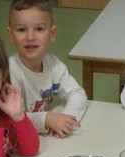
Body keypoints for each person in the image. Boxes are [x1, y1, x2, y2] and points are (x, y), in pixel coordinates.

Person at [7, 0, 87, 138]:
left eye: (39, 29)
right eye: (21, 30)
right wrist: (47, 120)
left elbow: (77, 93)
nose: (30, 37)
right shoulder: (10, 72)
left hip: (46, 139)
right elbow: (14, 118)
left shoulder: (53, 64)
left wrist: (65, 121)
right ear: (11, 35)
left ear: (52, 33)